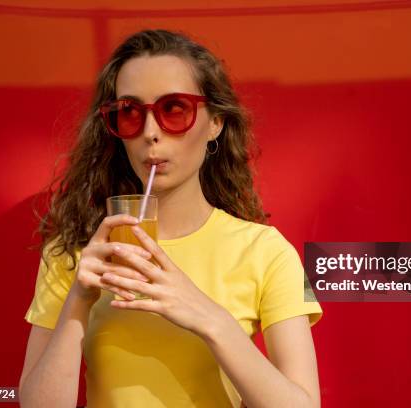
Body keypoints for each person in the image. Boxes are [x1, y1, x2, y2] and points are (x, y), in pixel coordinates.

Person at [19, 28, 323, 408]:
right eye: (129, 112)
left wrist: (212, 321)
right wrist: (79, 298)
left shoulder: (266, 252)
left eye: (173, 110)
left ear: (215, 122)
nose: (150, 133)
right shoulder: (77, 251)